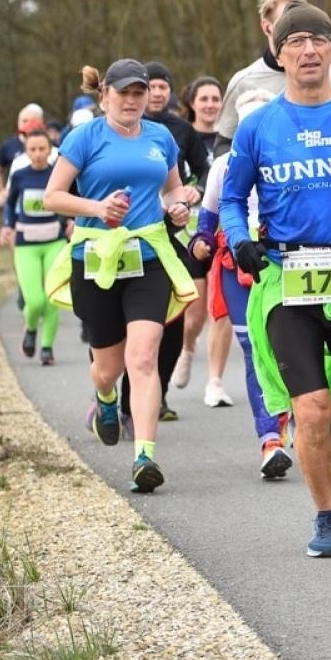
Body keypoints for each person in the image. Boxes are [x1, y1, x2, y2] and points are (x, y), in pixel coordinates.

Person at [221, 2, 331, 557]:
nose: (308, 51)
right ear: (280, 54)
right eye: (296, 42)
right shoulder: (258, 127)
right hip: (284, 278)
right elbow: (230, 197)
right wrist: (239, 238)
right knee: (309, 409)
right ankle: (327, 515)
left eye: (319, 40)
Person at [42, 60, 200, 493]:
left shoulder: (160, 137)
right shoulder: (85, 137)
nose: (132, 101)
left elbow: (170, 189)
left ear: (148, 95)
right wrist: (97, 209)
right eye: (124, 93)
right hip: (96, 260)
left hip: (148, 258)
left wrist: (176, 206)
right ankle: (105, 399)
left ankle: (144, 456)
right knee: (107, 369)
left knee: (143, 358)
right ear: (105, 95)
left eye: (139, 93)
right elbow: (53, 197)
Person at [193, 89, 291, 477]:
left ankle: (304, 413)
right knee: (254, 348)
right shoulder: (222, 166)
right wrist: (200, 242)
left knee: (297, 342)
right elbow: (207, 219)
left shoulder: (290, 154)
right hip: (239, 268)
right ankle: (269, 440)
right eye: (247, 123)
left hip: (283, 264)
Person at [141, 62, 213, 407]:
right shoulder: (125, 128)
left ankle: (162, 394)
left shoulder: (182, 129)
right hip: (134, 231)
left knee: (175, 314)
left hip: (174, 230)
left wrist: (195, 187)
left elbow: (203, 167)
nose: (157, 93)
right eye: (150, 87)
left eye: (162, 87)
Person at [214, 0, 331, 156]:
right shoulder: (244, 81)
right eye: (286, 21)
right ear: (267, 27)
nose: (296, 27)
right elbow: (223, 145)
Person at [3, 130, 71, 363]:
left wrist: (72, 221)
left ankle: (47, 348)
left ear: (50, 150)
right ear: (26, 151)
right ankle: (31, 328)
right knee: (34, 300)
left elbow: (71, 201)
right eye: (33, 149)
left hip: (55, 242)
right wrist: (7, 226)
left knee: (51, 298)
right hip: (26, 245)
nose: (38, 153)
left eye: (42, 148)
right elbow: (10, 205)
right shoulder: (20, 176)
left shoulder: (58, 175)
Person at [181, 75, 229, 406]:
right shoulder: (183, 137)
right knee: (196, 313)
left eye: (216, 98)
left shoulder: (233, 139)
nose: (211, 104)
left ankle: (215, 380)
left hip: (227, 231)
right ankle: (186, 347)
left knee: (222, 311)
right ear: (192, 103)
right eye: (205, 99)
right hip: (191, 233)